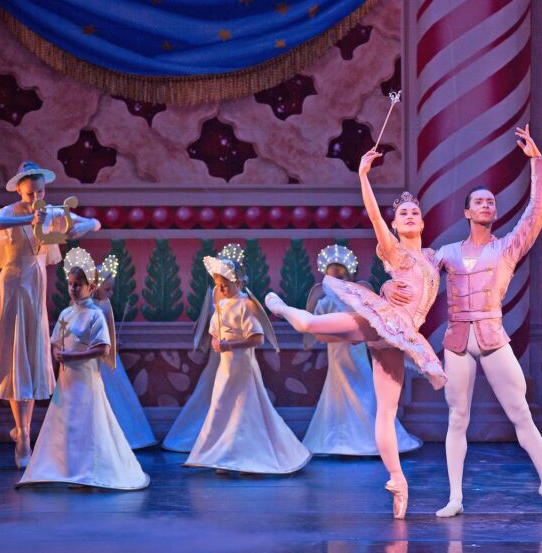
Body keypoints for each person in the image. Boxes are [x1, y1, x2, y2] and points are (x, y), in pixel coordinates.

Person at [395, 125, 542, 517]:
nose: (486, 206)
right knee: (457, 417)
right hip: (458, 339)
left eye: (491, 202)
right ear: (466, 212)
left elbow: (537, 212)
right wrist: (390, 289)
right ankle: (456, 497)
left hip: (493, 337)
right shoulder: (446, 252)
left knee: (520, 414)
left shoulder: (506, 248)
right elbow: (411, 268)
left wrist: (538, 164)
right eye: (479, 202)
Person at [265, 148, 447, 519]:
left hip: (401, 336)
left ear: (424, 222)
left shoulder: (433, 256)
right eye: (403, 214)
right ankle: (284, 309)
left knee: (385, 412)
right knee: (314, 326)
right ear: (396, 227)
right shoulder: (395, 251)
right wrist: (364, 177)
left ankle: (397, 480)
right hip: (385, 320)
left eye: (415, 212)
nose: (409, 215)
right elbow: (375, 216)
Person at [0, 161, 100, 468]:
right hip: (10, 293)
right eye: (29, 193)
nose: (35, 197)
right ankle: (25, 436)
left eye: (40, 192)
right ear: (19, 190)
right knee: (16, 363)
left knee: (28, 362)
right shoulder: (13, 212)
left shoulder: (51, 212)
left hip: (34, 296)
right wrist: (30, 217)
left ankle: (22, 429)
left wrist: (82, 226)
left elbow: (92, 222)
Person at [17, 262, 149, 490]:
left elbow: (103, 348)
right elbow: (56, 342)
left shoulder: (95, 315)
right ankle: (67, 468)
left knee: (87, 423)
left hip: (86, 380)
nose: (72, 289)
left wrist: (74, 356)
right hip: (67, 382)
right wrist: (58, 352)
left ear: (91, 286)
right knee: (66, 424)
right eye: (70, 284)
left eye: (78, 285)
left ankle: (87, 471)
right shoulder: (66, 313)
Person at [185, 256, 310, 475]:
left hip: (242, 366)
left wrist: (231, 344)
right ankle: (221, 455)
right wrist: (216, 342)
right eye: (218, 285)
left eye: (226, 285)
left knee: (246, 408)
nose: (222, 289)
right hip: (226, 368)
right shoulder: (221, 304)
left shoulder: (246, 305)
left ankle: (250, 456)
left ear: (239, 283)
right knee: (222, 407)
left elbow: (257, 338)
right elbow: (214, 332)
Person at [302, 244, 421, 457]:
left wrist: (361, 336)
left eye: (341, 276)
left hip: (355, 349)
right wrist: (334, 336)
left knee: (364, 386)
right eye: (332, 277)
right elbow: (316, 327)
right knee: (338, 387)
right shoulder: (324, 300)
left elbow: (373, 320)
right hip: (337, 350)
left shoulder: (358, 296)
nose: (337, 281)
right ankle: (339, 441)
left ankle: (373, 437)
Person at [162, 243, 244, 453]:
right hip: (221, 348)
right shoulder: (216, 291)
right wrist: (216, 338)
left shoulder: (243, 297)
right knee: (212, 388)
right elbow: (213, 318)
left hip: (238, 351)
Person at [90, 254, 156, 450]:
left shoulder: (103, 306)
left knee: (118, 394)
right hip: (95, 357)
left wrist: (113, 340)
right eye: (107, 289)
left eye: (111, 290)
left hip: (108, 356)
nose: (110, 294)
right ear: (94, 286)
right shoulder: (89, 308)